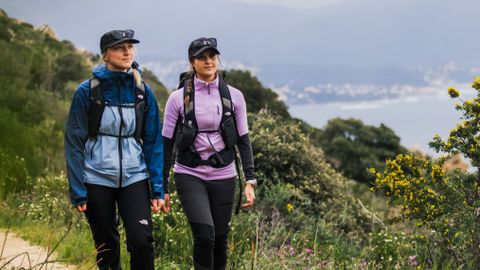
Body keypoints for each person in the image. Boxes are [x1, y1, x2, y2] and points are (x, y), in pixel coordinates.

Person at [64, 29, 166, 270]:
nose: (127, 51)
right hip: (96, 177)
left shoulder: (143, 91)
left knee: (142, 242)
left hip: (135, 176)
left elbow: (153, 142)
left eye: (130, 46)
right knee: (106, 246)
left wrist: (158, 189)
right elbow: (74, 142)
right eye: (120, 47)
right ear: (105, 54)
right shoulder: (87, 91)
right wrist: (77, 188)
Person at [162, 37, 257, 270]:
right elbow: (166, 143)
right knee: (205, 235)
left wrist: (249, 180)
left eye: (212, 56)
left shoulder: (234, 96)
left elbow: (243, 141)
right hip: (189, 173)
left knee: (220, 239)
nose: (208, 61)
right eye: (202, 57)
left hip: (224, 174)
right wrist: (161, 186)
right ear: (192, 62)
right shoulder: (177, 98)